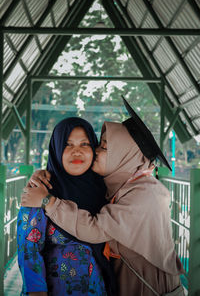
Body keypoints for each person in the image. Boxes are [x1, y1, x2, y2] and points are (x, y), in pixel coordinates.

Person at [21, 98, 185, 296]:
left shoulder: (143, 194)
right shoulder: (106, 188)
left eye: (103, 147)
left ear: (124, 156)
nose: (94, 152)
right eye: (67, 144)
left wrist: (48, 201)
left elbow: (95, 228)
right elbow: (28, 251)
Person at [17, 117, 113, 296]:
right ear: (57, 149)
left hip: (96, 289)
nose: (77, 152)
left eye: (84, 144)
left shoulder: (104, 189)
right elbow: (28, 251)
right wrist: (37, 292)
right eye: (68, 145)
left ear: (94, 148)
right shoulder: (41, 189)